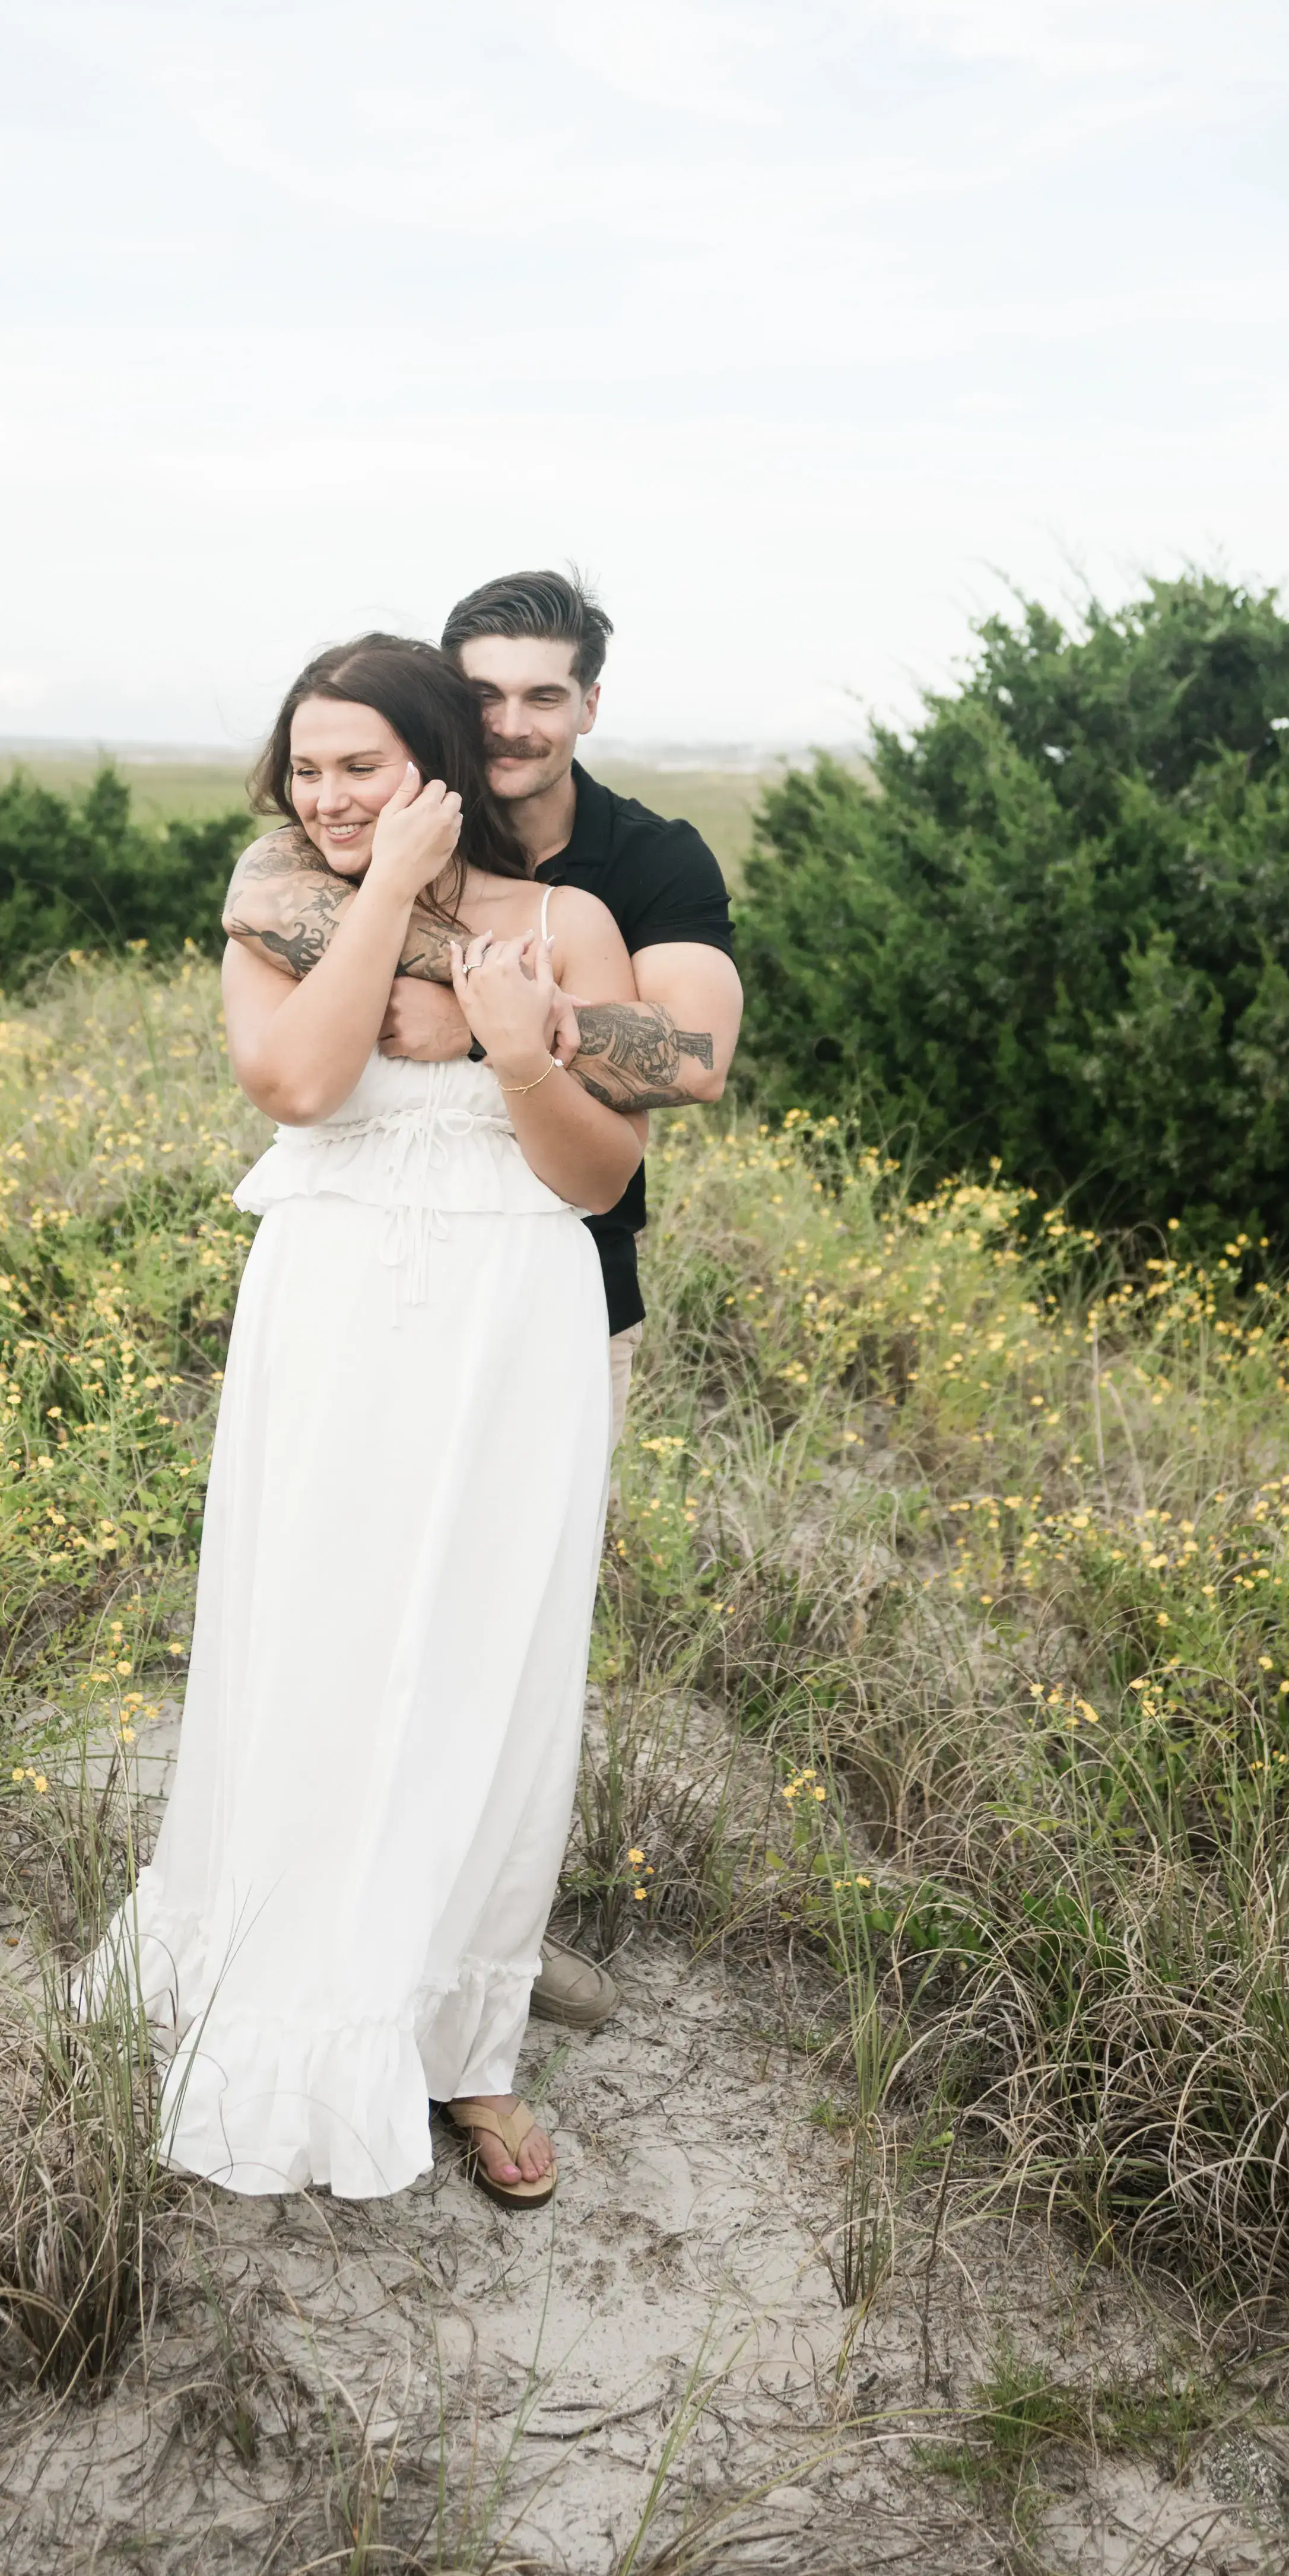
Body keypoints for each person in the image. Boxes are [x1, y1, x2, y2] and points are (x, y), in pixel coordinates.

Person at [74, 634, 646, 2209]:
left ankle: (467, 2044)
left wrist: (518, 1047)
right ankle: (276, 1982)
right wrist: (390, 893)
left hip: (512, 1331)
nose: (328, 795)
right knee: (313, 1639)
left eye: (362, 768)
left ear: (436, 768)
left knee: (486, 1661)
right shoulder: (277, 911)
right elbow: (297, 1086)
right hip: (331, 1322)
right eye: (308, 768)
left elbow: (597, 1179)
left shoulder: (574, 923)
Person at [219, 569, 743, 2037]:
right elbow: (277, 973)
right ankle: (325, 1928)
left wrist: (494, 1020)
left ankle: (481, 1956)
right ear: (451, 705)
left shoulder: (637, 865)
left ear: (587, 703)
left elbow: (693, 1064)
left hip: (557, 1289)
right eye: (486, 692)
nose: (513, 724)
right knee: (328, 1609)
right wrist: (402, 912)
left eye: (543, 694)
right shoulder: (306, 859)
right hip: (347, 1288)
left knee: (503, 1626)